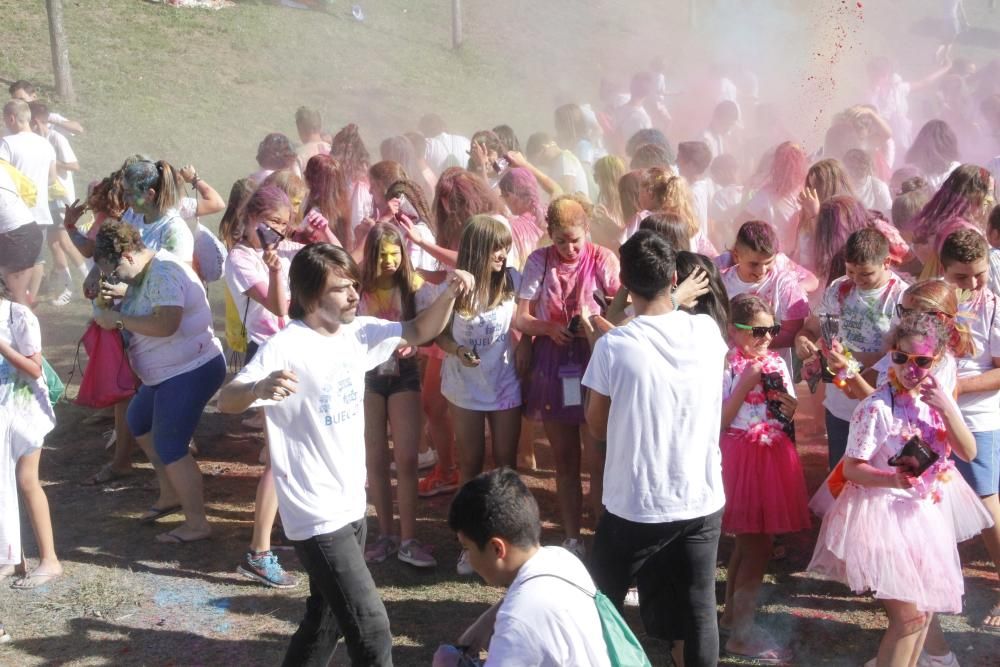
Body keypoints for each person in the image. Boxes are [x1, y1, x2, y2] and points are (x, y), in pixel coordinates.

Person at [217, 243, 475, 666]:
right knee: (372, 629)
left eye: (354, 284)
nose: (355, 294)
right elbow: (227, 398)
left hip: (352, 505)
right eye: (341, 289)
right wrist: (257, 389)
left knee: (326, 619)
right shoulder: (286, 347)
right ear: (311, 298)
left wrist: (448, 292)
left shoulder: (359, 332)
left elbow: (416, 331)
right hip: (316, 514)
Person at [808, 313, 985, 667]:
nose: (910, 368)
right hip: (883, 516)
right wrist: (891, 479)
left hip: (924, 516)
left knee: (923, 614)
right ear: (891, 354)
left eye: (921, 361)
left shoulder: (935, 405)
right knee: (909, 619)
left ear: (937, 361)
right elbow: (851, 468)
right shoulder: (876, 407)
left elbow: (968, 452)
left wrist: (948, 408)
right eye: (901, 357)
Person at [583, 230, 726, 667]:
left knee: (597, 604)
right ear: (675, 275)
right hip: (700, 500)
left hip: (636, 506)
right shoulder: (708, 332)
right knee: (700, 611)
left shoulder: (615, 346)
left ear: (624, 282)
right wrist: (678, 299)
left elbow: (597, 426)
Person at [92, 221, 225, 544]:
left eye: (113, 270)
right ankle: (170, 494)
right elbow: (151, 300)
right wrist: (123, 295)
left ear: (126, 255)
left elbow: (167, 324)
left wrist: (118, 319)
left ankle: (197, 523)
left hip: (189, 370)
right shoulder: (148, 271)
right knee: (139, 421)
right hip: (167, 373)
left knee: (171, 444)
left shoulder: (164, 271)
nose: (114, 277)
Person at [515, 194, 620, 559]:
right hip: (554, 361)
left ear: (586, 230)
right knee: (563, 457)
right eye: (561, 240)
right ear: (550, 236)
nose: (569, 248)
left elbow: (622, 309)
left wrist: (595, 325)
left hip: (594, 360)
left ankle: (605, 531)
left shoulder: (604, 258)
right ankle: (573, 536)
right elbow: (520, 317)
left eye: (575, 239)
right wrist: (546, 329)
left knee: (598, 456)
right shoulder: (539, 261)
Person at [436, 468, 614, 667]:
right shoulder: (562, 559)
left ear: (497, 548)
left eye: (466, 548)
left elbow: (525, 612)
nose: (468, 557)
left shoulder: (518, 623)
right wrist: (486, 621)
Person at [718, 294, 809, 663]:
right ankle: (741, 635)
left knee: (751, 543)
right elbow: (719, 421)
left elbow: (786, 412)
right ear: (732, 331)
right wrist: (746, 382)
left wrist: (789, 405)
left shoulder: (776, 362)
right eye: (757, 331)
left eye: (771, 329)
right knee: (756, 546)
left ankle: (730, 618)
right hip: (740, 455)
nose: (767, 338)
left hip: (773, 453)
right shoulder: (723, 365)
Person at [432, 216, 524, 573]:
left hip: (503, 384)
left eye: (505, 246)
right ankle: (469, 543)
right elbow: (437, 334)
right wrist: (456, 350)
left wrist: (537, 334)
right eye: (496, 248)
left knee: (506, 464)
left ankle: (512, 538)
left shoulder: (512, 280)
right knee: (469, 464)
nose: (502, 254)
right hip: (465, 386)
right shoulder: (456, 286)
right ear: (477, 249)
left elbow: (523, 320)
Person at [224, 185, 302, 587]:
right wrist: (274, 269)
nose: (279, 232)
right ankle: (258, 552)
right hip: (270, 354)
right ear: (252, 218)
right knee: (277, 459)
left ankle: (278, 534)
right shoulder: (240, 258)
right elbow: (279, 307)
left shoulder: (282, 248)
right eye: (272, 222)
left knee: (288, 451)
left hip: (295, 349)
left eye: (285, 225)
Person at [357, 223, 436, 569]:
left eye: (395, 254)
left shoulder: (414, 286)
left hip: (404, 375)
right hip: (368, 376)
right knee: (374, 459)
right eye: (382, 255)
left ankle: (408, 539)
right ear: (371, 256)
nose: (389, 262)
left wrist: (415, 343)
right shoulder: (358, 288)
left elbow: (430, 331)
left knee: (405, 459)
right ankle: (385, 535)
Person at [796, 228, 909, 469]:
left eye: (866, 273)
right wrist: (804, 338)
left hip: (879, 405)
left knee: (876, 482)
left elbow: (903, 355)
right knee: (838, 480)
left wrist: (854, 360)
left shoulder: (903, 297)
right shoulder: (839, 288)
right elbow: (817, 328)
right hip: (839, 405)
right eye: (851, 271)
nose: (856, 280)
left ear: (886, 262)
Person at [939, 229, 1000, 631]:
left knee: (987, 505)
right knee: (936, 502)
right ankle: (941, 587)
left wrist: (957, 387)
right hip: (932, 418)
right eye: (962, 277)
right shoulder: (931, 302)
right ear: (944, 272)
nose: (974, 284)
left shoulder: (994, 306)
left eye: (979, 274)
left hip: (977, 418)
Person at [0, 276, 59, 589]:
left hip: (25, 411)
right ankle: (13, 557)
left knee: (25, 481)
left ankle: (50, 560)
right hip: (1, 412)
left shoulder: (18, 316)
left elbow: (34, 368)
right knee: (2, 484)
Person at [28, 101, 87, 306]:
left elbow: (75, 165)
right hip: (46, 199)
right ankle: (68, 286)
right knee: (54, 245)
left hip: (62, 198)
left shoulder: (56, 137)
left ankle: (90, 282)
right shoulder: (35, 139)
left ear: (35, 121)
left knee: (65, 242)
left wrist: (50, 161)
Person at [0, 100, 57, 307]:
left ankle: (18, 303)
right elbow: (52, 178)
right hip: (40, 209)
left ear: (12, 118)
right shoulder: (45, 143)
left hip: (12, 213)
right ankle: (29, 300)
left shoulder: (7, 143)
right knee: (36, 258)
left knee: (11, 267)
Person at [720, 221, 809, 354]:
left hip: (772, 368)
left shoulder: (785, 283)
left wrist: (750, 341)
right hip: (729, 367)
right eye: (754, 264)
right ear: (737, 256)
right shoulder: (721, 282)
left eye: (768, 262)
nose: (762, 270)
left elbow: (793, 333)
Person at [0, 157, 42, 305]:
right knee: (12, 297)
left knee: (16, 299)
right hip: (19, 233)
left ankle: (27, 325)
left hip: (19, 235)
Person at [295, 106, 331, 173]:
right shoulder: (332, 150)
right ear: (320, 126)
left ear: (300, 128)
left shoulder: (299, 155)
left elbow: (295, 182)